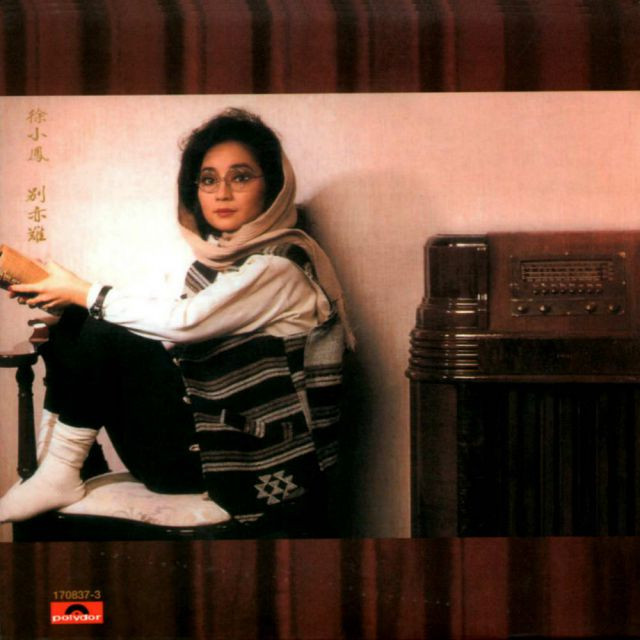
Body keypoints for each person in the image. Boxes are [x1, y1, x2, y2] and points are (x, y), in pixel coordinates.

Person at [0, 108, 353, 536]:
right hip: (198, 446)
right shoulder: (221, 269)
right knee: (80, 320)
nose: (222, 193)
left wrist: (84, 293)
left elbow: (184, 323)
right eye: (208, 180)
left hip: (241, 462)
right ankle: (65, 468)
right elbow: (170, 339)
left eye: (241, 177)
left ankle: (58, 473)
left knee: (99, 321)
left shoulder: (279, 269)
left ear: (273, 189)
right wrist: (69, 304)